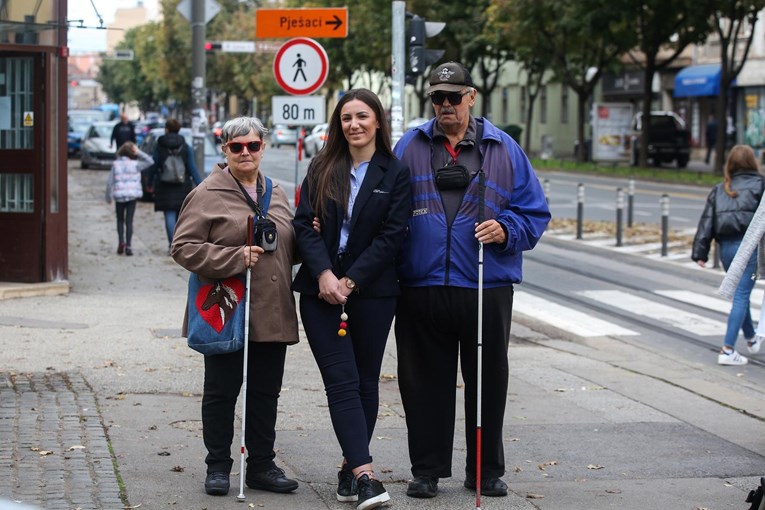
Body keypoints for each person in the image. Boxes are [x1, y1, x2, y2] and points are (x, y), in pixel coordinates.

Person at [392, 62, 551, 499]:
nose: (445, 105)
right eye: (437, 98)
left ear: (471, 97)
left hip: (486, 283)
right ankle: (426, 470)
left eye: (453, 97)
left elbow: (535, 213)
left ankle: (484, 471)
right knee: (423, 382)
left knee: (487, 380)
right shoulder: (411, 146)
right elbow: (385, 206)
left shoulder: (504, 149)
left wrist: (506, 230)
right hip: (421, 284)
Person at [292, 89, 411, 510]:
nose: (354, 124)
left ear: (378, 120)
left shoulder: (395, 172)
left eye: (362, 116)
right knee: (341, 380)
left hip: (374, 294)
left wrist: (351, 281)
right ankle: (366, 477)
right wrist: (325, 274)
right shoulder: (323, 166)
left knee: (365, 383)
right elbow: (303, 225)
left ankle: (347, 468)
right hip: (319, 293)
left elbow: (392, 236)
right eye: (346, 118)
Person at [170, 117, 299, 497]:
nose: (245, 153)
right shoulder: (207, 192)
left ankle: (261, 465)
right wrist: (234, 256)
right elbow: (183, 247)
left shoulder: (276, 192)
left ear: (263, 147)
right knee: (222, 391)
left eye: (253, 146)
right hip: (227, 310)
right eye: (237, 147)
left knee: (265, 392)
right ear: (225, 150)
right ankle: (217, 466)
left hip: (272, 309)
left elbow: (290, 243)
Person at [693, 144, 765, 365]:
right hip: (749, 250)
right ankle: (727, 350)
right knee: (742, 296)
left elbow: (707, 222)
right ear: (752, 162)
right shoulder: (760, 185)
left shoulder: (720, 188)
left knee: (738, 295)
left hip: (725, 249)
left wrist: (700, 252)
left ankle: (751, 339)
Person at [149, 118, 202, 251]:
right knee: (181, 216)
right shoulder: (185, 147)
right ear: (178, 130)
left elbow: (154, 165)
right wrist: (201, 185)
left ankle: (172, 245)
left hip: (164, 185)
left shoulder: (160, 145)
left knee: (169, 214)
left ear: (166, 129)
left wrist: (149, 182)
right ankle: (180, 244)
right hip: (182, 185)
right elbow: (192, 168)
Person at [105, 142, 153, 256]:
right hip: (132, 196)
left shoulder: (116, 165)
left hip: (119, 196)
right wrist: (139, 152)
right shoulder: (136, 164)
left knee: (120, 220)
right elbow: (150, 161)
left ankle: (121, 242)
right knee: (129, 221)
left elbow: (109, 182)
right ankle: (129, 246)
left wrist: (108, 196)